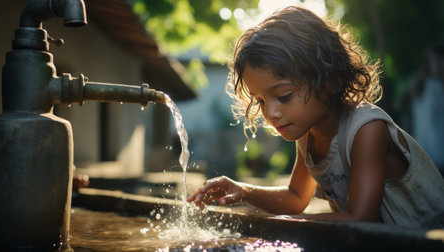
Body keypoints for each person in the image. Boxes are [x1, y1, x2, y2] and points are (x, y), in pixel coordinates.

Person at [187, 6, 444, 228]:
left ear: (329, 81)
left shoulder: (366, 130)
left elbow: (360, 219)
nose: (270, 113)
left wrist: (284, 227)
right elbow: (296, 197)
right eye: (261, 100)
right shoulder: (308, 133)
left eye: (284, 95)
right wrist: (243, 191)